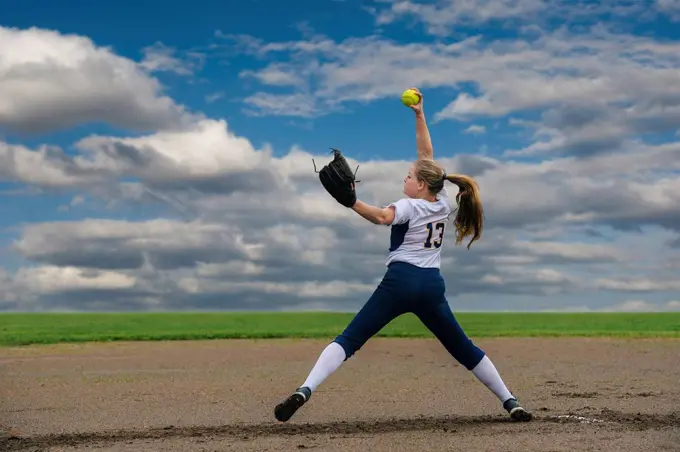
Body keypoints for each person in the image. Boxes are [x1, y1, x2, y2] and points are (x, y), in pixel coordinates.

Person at [274, 87, 532, 424]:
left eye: (409, 176)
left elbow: (382, 217)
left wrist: (351, 202)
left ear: (421, 185)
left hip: (400, 283)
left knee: (350, 338)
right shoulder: (440, 202)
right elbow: (427, 155)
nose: (405, 178)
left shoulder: (409, 205)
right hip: (431, 287)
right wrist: (419, 114)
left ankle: (305, 389)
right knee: (462, 348)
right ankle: (510, 401)